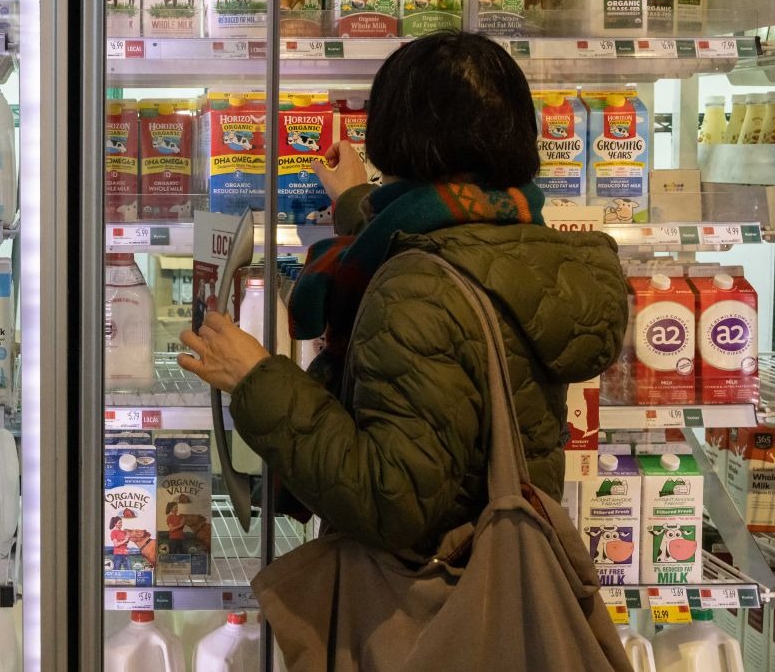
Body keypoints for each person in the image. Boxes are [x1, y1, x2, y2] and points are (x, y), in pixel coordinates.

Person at [179, 30, 626, 609]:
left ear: (398, 136)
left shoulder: (418, 285)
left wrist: (257, 378)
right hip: (499, 583)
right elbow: (432, 241)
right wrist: (355, 201)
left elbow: (389, 500)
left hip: (424, 606)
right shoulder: (520, 239)